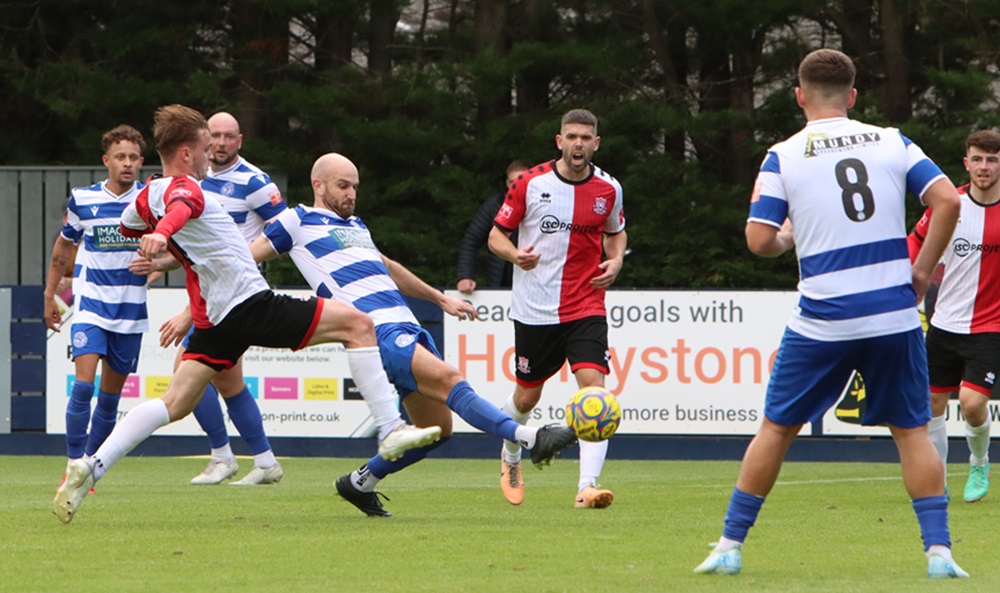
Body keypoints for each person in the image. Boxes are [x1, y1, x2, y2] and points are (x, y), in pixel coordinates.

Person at [53, 104, 440, 524]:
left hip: (214, 317)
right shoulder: (189, 187)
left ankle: (91, 464)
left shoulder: (146, 195)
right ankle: (390, 429)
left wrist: (156, 229)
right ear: (185, 152)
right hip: (248, 303)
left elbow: (130, 225)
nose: (209, 157)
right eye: (203, 148)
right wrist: (164, 232)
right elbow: (182, 205)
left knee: (175, 401)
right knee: (358, 323)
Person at [693, 49, 968, 579]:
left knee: (776, 429)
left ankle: (729, 545)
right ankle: (939, 553)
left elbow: (758, 241)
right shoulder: (892, 140)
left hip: (823, 316)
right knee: (911, 430)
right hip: (892, 313)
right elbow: (948, 202)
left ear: (799, 96)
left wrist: (787, 237)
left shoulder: (784, 154)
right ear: (853, 96)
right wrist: (922, 271)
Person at [247, 153, 578, 517]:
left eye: (355, 186)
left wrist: (439, 298)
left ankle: (359, 483)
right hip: (375, 332)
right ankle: (532, 438)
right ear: (318, 185)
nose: (351, 194)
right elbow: (248, 257)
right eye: (343, 186)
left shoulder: (356, 225)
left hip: (407, 324)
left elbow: (388, 267)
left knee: (436, 428)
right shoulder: (297, 220)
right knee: (451, 379)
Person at [487, 108, 626, 508]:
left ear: (596, 143)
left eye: (586, 137)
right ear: (559, 141)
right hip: (535, 308)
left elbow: (617, 235)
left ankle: (587, 486)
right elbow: (496, 236)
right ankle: (511, 456)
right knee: (527, 397)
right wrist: (515, 255)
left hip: (586, 304)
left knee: (594, 394)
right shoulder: (531, 184)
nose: (578, 143)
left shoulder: (608, 189)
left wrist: (615, 262)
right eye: (571, 136)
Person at [154, 112, 290, 486]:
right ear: (203, 140)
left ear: (240, 140)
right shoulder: (193, 180)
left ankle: (224, 457)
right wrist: (165, 260)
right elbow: (200, 244)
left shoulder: (255, 182)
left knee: (189, 371)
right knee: (227, 383)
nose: (221, 143)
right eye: (214, 135)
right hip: (210, 294)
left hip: (234, 298)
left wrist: (187, 311)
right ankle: (259, 461)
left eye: (229, 136)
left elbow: (284, 233)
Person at [42, 125, 148, 479]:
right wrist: (49, 294)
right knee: (83, 387)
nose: (127, 163)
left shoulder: (151, 202)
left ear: (142, 162)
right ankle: (72, 462)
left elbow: (177, 245)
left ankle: (87, 468)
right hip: (91, 307)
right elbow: (64, 246)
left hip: (131, 313)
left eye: (133, 157)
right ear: (107, 161)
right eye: (120, 157)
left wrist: (161, 261)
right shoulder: (83, 200)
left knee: (108, 400)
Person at [907, 129, 1000, 504]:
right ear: (966, 163)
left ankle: (979, 461)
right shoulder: (950, 205)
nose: (984, 167)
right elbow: (914, 243)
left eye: (992, 160)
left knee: (973, 403)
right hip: (944, 324)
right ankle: (937, 478)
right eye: (977, 159)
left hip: (991, 327)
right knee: (932, 406)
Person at [456, 160, 529, 294]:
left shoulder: (543, 206)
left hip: (535, 282)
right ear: (507, 183)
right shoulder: (493, 206)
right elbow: (471, 241)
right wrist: (465, 276)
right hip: (499, 285)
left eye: (522, 181)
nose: (518, 186)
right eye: (513, 182)